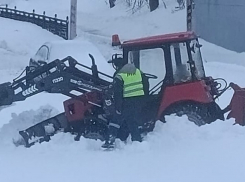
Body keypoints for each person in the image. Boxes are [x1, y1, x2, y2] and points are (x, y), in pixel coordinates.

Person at [102, 58, 149, 149]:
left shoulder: (119, 75)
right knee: (131, 120)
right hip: (139, 100)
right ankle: (137, 140)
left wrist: (118, 107)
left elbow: (118, 93)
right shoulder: (138, 71)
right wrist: (144, 97)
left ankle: (110, 141)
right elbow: (146, 83)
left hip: (127, 101)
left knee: (116, 120)